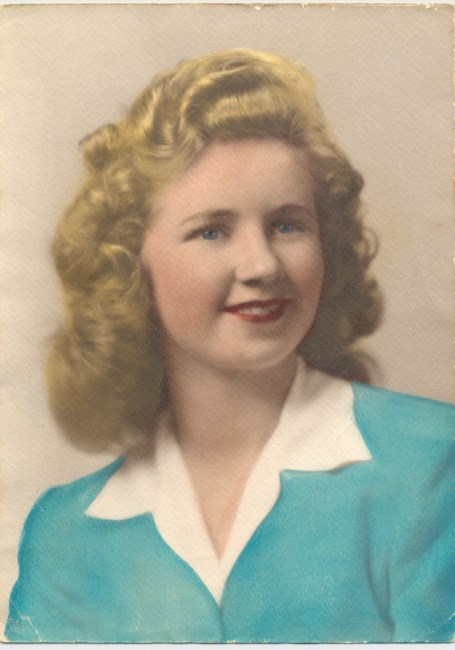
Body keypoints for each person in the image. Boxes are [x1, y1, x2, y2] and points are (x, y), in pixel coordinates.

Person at [5, 49, 454, 643]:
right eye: (212, 231)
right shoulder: (66, 535)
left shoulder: (433, 465)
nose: (262, 264)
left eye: (288, 224)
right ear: (130, 265)